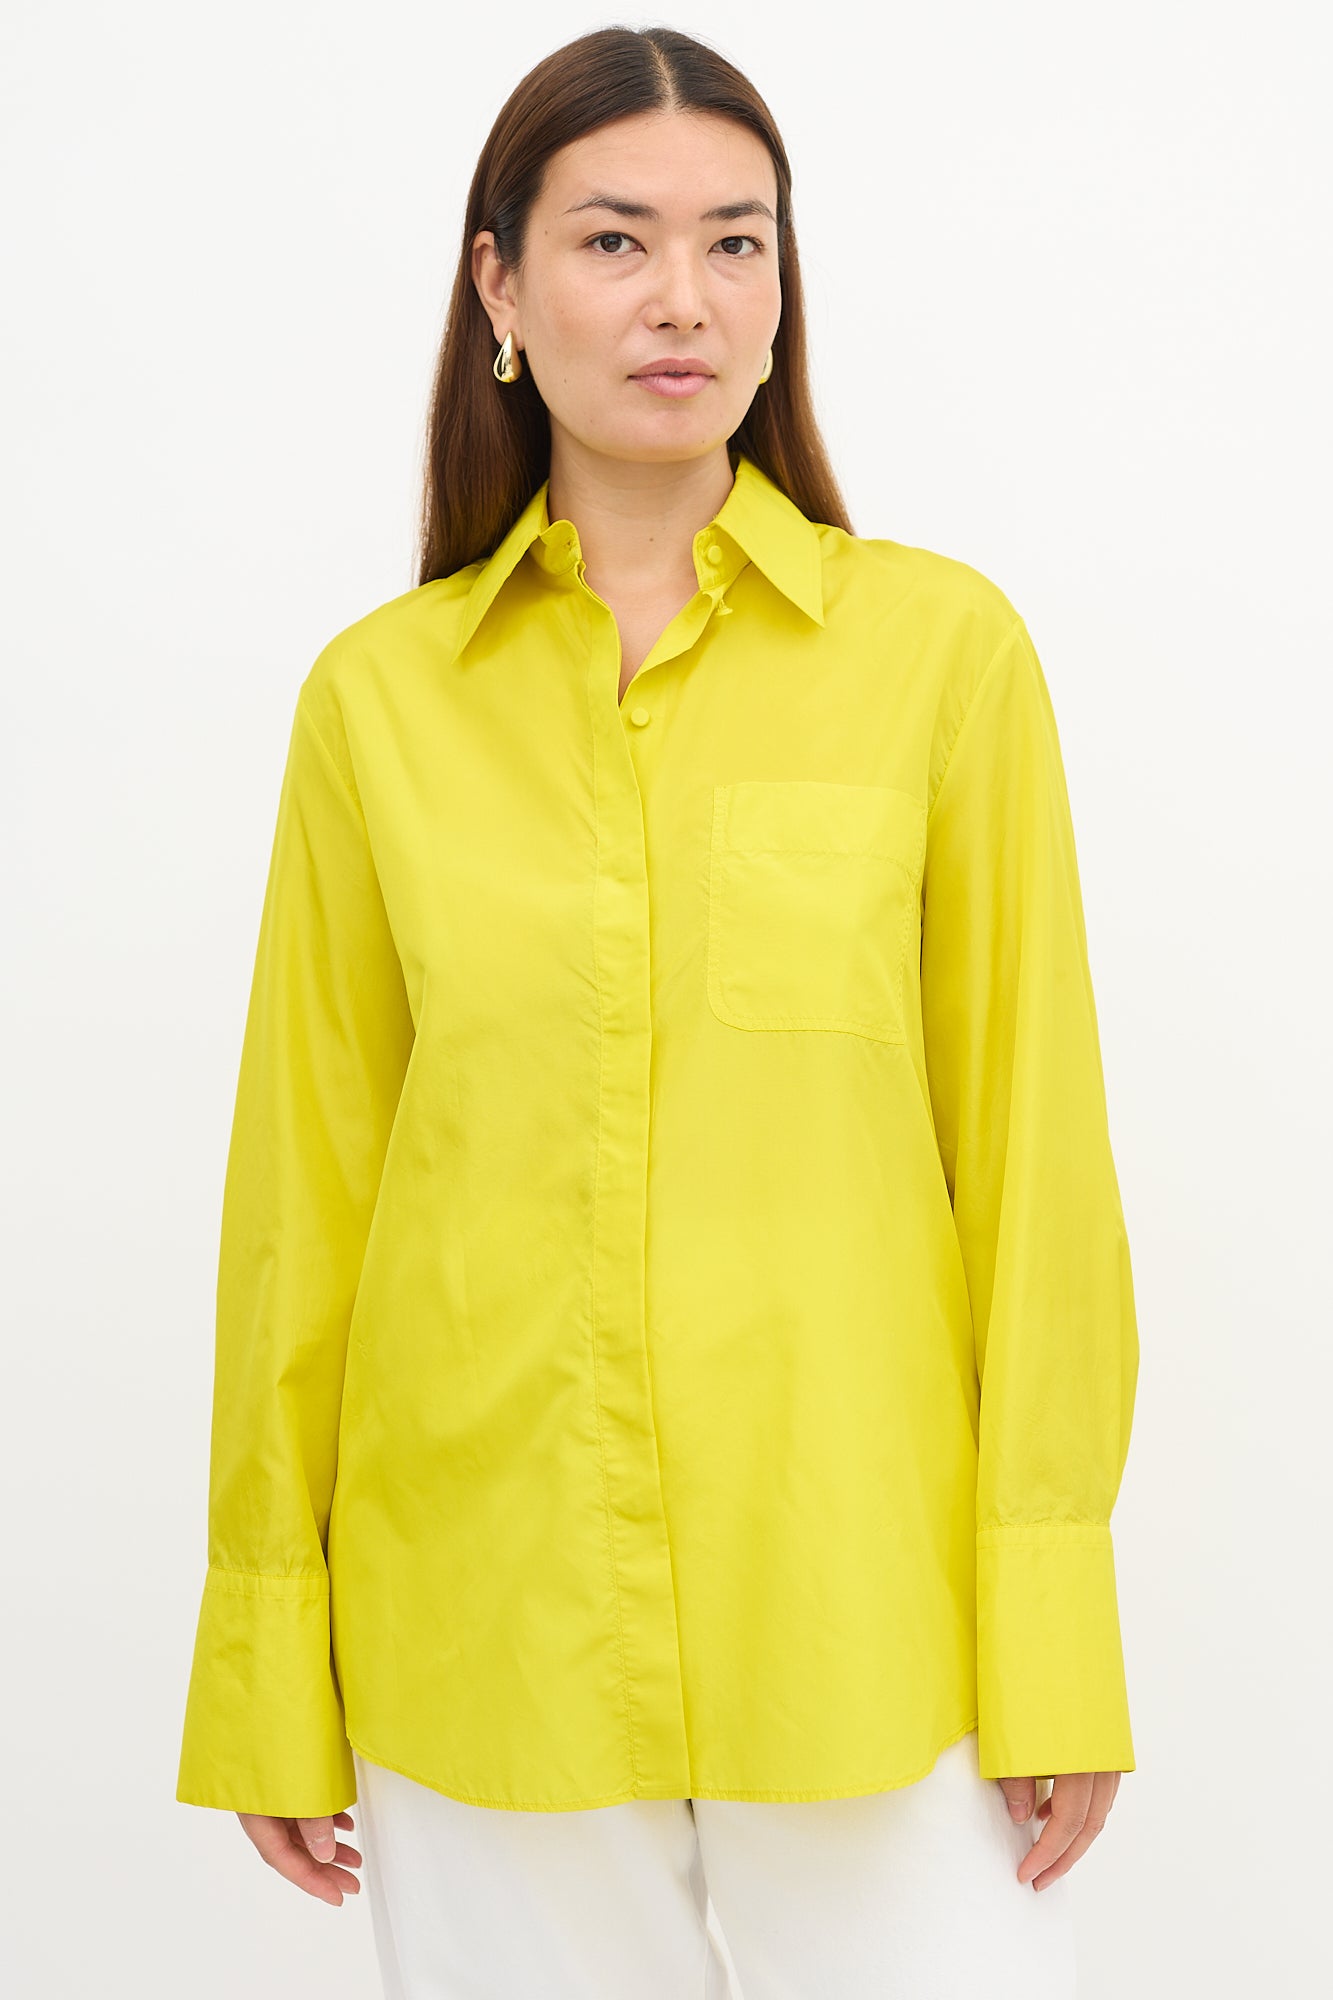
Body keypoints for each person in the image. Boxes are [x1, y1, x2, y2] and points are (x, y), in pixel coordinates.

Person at [175, 23, 1140, 1998]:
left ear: (783, 288)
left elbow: (1035, 1174)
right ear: (499, 286)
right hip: (482, 1614)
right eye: (614, 240)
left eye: (736, 241)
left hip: (864, 1609)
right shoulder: (377, 704)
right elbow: (303, 1205)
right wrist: (270, 1653)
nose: (683, 297)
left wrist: (1050, 1633)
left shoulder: (941, 659)